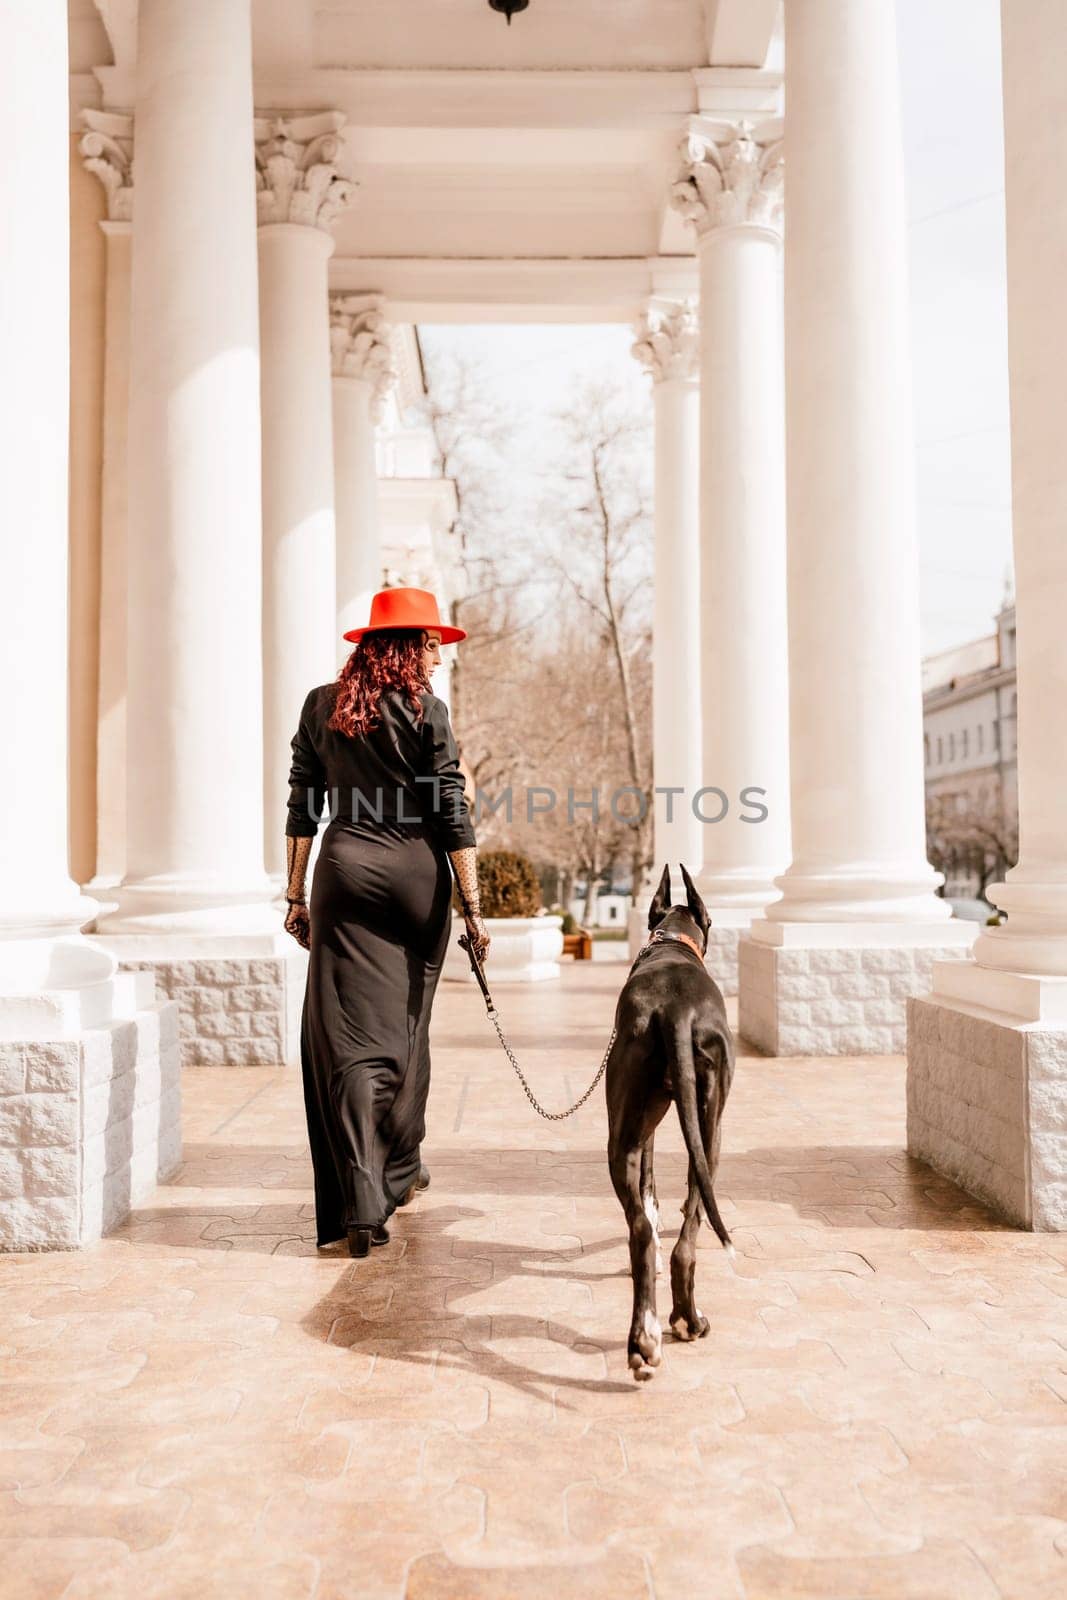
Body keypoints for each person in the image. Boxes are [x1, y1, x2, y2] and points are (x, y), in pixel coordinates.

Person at [282, 587, 490, 1258]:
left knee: (344, 1038)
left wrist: (294, 895)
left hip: (344, 872)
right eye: (430, 645)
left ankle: (364, 1196)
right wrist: (474, 908)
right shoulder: (427, 712)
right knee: (407, 1028)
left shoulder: (322, 706)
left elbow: (302, 802)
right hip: (417, 879)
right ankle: (402, 1167)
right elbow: (449, 808)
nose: (436, 657)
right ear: (404, 648)